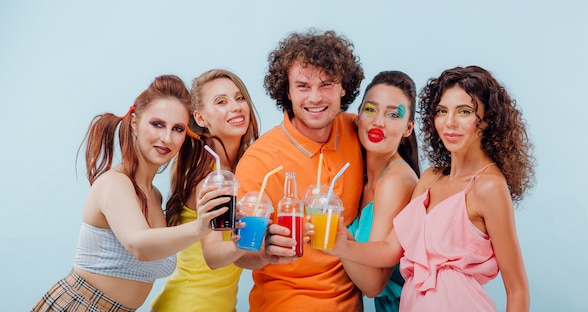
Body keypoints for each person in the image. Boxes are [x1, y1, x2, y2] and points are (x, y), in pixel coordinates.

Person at [331, 65, 535, 311]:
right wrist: (341, 245)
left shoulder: (488, 186)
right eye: (442, 111)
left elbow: (517, 289)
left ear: (487, 119)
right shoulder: (430, 178)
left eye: (464, 112)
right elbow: (389, 251)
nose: (449, 123)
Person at [31, 75, 231, 312]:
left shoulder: (155, 197)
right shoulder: (114, 184)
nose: (167, 138)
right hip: (79, 306)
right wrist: (200, 226)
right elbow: (140, 246)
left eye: (177, 129)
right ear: (134, 123)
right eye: (157, 124)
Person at [233, 29, 366, 311]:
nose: (315, 98)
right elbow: (240, 254)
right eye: (303, 86)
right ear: (288, 91)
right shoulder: (260, 160)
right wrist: (264, 250)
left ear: (344, 87)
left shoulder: (357, 131)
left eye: (327, 84)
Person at [150, 69, 260, 312]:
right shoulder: (211, 177)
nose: (235, 107)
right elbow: (214, 257)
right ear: (200, 118)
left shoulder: (242, 167)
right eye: (221, 102)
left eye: (239, 98)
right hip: (188, 306)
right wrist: (259, 239)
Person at [343, 70, 421, 312]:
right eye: (371, 109)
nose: (378, 121)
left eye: (392, 114)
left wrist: (336, 238)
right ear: (358, 116)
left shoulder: (395, 182)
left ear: (408, 128)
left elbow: (373, 284)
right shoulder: (360, 176)